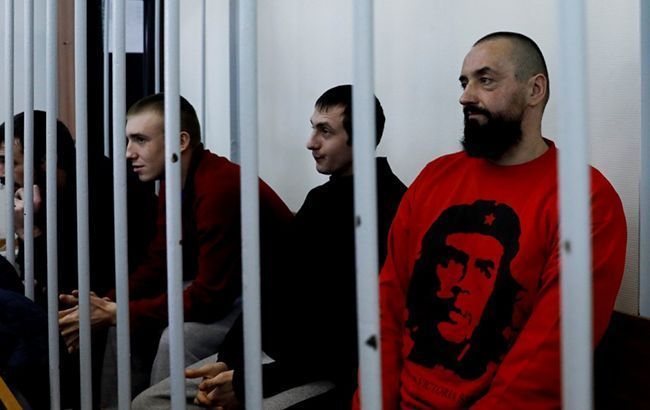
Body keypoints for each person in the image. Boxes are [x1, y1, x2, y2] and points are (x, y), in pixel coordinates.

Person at [353, 32, 627, 409]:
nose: (465, 96)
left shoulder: (586, 199)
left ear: (535, 90)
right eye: (464, 82)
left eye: (485, 80)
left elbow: (547, 360)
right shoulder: (433, 178)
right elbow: (388, 303)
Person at [132, 84, 407, 409]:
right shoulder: (320, 199)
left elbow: (349, 338)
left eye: (325, 131)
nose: (310, 142)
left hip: (317, 372)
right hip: (270, 356)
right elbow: (272, 285)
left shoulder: (390, 209)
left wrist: (250, 382)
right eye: (312, 128)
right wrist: (230, 359)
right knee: (149, 403)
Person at [58, 94, 293, 397]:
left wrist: (119, 312)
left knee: (178, 337)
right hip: (235, 292)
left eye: (140, 140)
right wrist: (106, 304)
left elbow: (209, 298)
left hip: (274, 305)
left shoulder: (218, 187)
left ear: (181, 141)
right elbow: (161, 261)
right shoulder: (175, 181)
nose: (128, 152)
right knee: (122, 323)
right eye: (128, 140)